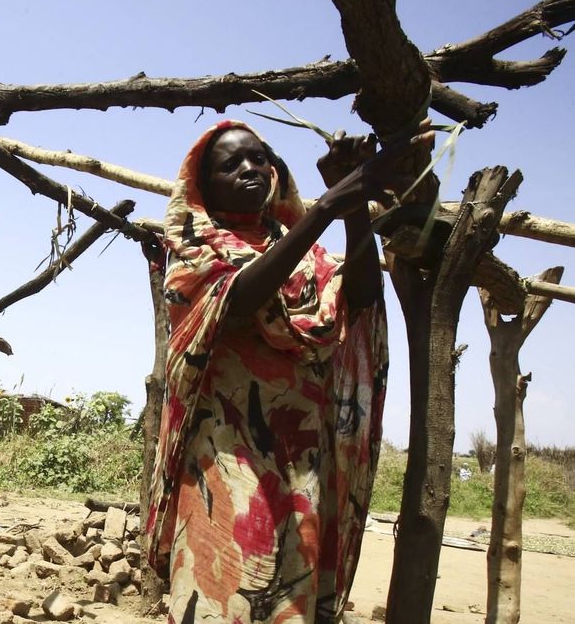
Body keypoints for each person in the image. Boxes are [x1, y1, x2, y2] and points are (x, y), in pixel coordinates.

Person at [145, 119, 432, 623]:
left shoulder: (307, 255)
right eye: (230, 164)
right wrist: (323, 208)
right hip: (225, 460)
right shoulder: (194, 250)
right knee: (222, 594)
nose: (251, 168)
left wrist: (352, 211)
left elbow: (360, 298)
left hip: (303, 464)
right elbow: (238, 301)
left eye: (259, 158)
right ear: (203, 185)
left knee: (289, 606)